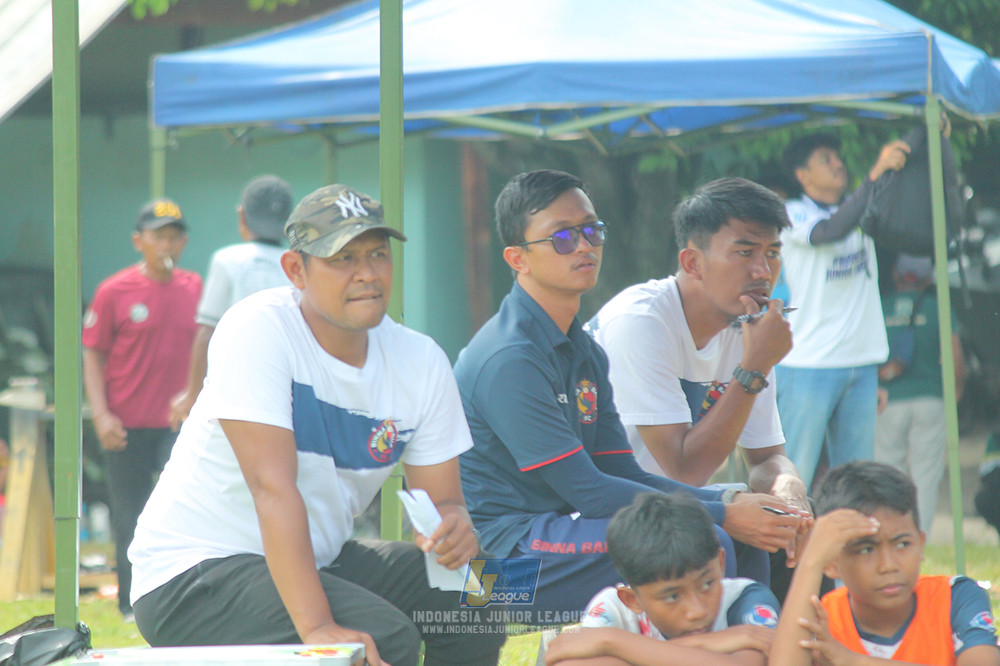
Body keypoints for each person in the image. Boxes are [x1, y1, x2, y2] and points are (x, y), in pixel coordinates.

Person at [128, 185, 505, 666]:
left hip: (312, 561)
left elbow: (441, 504)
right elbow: (272, 489)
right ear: (295, 270)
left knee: (478, 591)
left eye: (377, 254)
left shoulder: (421, 361)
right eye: (342, 257)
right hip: (191, 574)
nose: (367, 273)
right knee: (376, 638)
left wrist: (453, 528)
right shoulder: (258, 329)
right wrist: (318, 628)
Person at [453, 170, 802, 620]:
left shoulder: (582, 350)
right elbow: (591, 492)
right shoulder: (510, 357)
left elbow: (619, 467)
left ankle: (760, 645)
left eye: (591, 230)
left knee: (734, 531)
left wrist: (731, 505)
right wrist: (721, 513)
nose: (583, 246)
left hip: (561, 535)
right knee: (703, 543)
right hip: (493, 569)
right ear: (517, 258)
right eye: (561, 237)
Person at [588, 177, 808, 506]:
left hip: (663, 507)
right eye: (745, 252)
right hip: (596, 511)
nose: (763, 271)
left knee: (785, 518)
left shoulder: (746, 329)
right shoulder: (640, 323)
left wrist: (787, 484)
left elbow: (764, 459)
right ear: (693, 262)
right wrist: (755, 366)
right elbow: (685, 471)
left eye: (773, 253)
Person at [82, 198, 201, 618]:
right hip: (127, 424)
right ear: (139, 241)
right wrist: (101, 415)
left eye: (174, 236)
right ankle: (131, 602)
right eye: (158, 236)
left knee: (182, 513)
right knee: (129, 514)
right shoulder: (115, 291)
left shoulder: (195, 289)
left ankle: (182, 597)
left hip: (180, 425)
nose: (167, 244)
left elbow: (207, 350)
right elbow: (92, 354)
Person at [776, 132, 911, 488]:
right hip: (809, 364)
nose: (838, 163)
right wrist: (875, 175)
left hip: (861, 363)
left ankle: (849, 543)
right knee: (794, 476)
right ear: (802, 175)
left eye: (838, 156)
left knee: (858, 479)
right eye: (825, 159)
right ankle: (782, 546)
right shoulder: (792, 214)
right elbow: (829, 232)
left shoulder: (859, 206)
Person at [770, 461, 999, 666]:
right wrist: (811, 561)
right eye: (866, 549)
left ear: (921, 544)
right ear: (831, 563)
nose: (888, 565)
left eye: (902, 545)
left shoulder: (955, 597)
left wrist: (852, 661)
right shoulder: (825, 618)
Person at [544, 492, 780, 666]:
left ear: (720, 563)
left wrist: (614, 643)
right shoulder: (613, 609)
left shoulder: (745, 598)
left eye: (707, 584)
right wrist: (721, 642)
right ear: (632, 599)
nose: (696, 611)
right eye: (673, 596)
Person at [169, 174, 294, 430]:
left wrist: (192, 394)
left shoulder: (227, 260)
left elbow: (206, 331)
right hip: (286, 389)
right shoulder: (297, 264)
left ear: (242, 216)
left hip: (234, 390)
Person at [876, 254, 966, 534]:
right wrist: (955, 394)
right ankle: (918, 541)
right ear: (927, 279)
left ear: (895, 275)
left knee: (887, 473)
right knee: (925, 477)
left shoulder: (880, 307)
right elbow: (955, 358)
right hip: (930, 398)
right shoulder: (938, 307)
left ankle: (889, 535)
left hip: (887, 401)